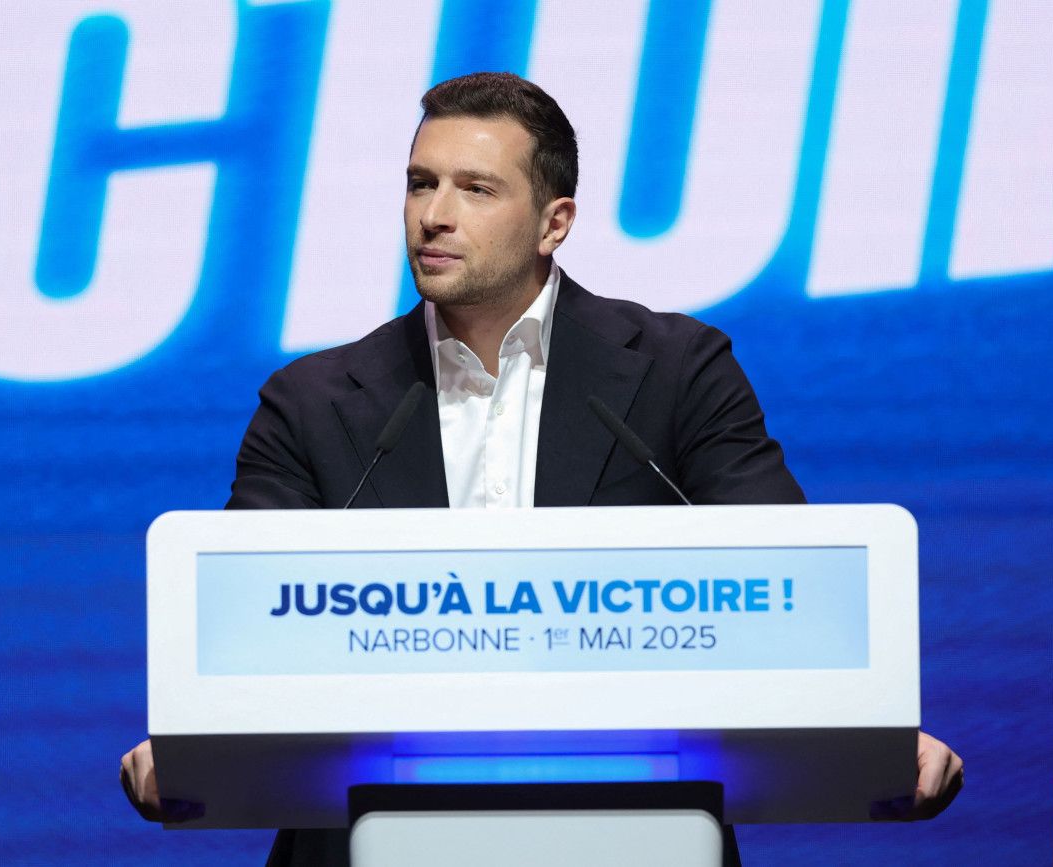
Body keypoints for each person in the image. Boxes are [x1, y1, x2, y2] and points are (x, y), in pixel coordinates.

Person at [121, 71, 963, 851]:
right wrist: (193, 740)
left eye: (475, 188)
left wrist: (872, 725)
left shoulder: (676, 371)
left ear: (554, 222)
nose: (433, 214)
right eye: (420, 183)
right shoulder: (312, 401)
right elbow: (249, 631)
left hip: (633, 835)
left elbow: (785, 588)